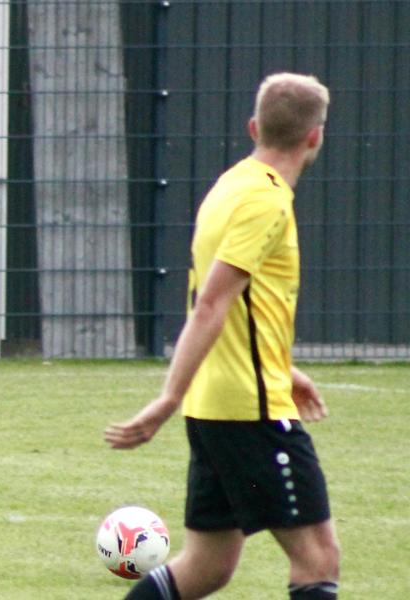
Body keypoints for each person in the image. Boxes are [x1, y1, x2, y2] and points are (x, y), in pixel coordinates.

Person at [104, 73, 340, 600]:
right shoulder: (268, 202)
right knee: (317, 557)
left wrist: (283, 366)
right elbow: (212, 301)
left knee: (207, 566)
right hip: (251, 416)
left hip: (219, 410)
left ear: (254, 127)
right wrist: (166, 398)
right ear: (315, 136)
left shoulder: (231, 185)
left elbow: (240, 307)